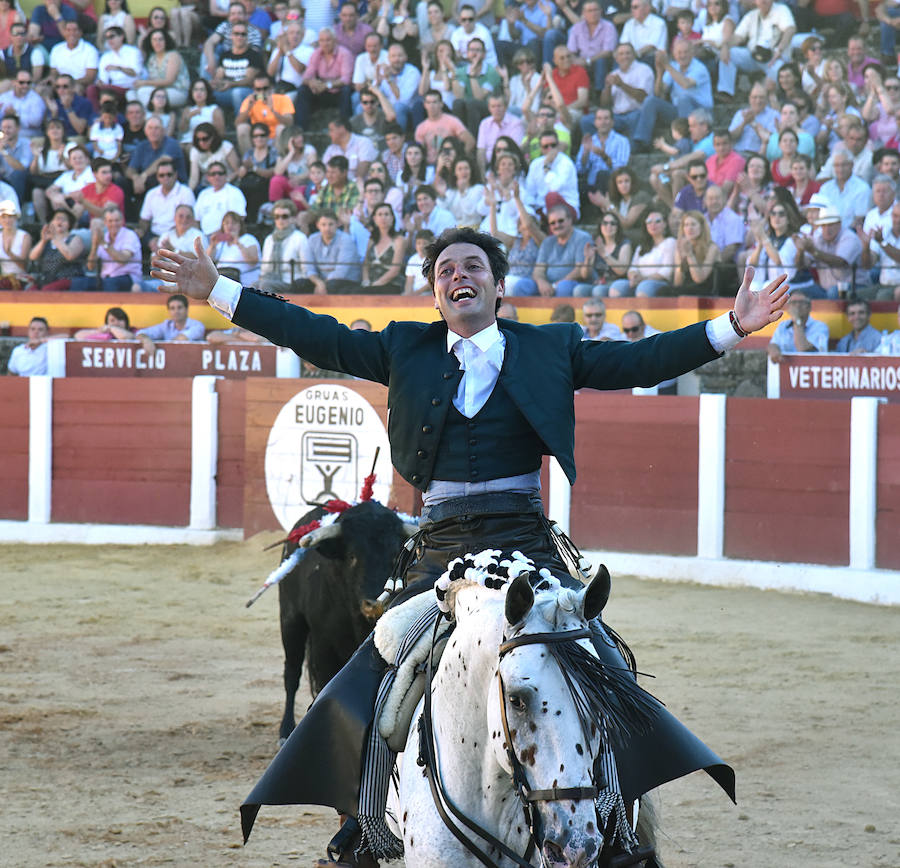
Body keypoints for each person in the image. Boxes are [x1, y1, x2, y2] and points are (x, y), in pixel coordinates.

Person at [150, 226, 786, 867]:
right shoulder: (405, 348)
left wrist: (733, 325)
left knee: (603, 664)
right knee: (381, 667)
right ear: (435, 294)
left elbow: (640, 360)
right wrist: (219, 293)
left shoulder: (550, 347)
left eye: (473, 266)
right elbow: (315, 333)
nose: (460, 275)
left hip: (527, 549)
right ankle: (367, 826)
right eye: (446, 269)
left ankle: (618, 829)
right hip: (439, 555)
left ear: (498, 285)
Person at [530, 202, 596, 297]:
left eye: (561, 221)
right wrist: (541, 283)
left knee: (563, 287)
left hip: (574, 283)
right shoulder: (547, 242)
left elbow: (579, 271)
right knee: (523, 286)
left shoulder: (583, 238)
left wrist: (556, 285)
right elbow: (538, 270)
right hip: (549, 284)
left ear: (570, 220)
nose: (557, 225)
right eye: (552, 223)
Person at [27, 208, 86, 291]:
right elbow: (32, 257)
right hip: (46, 280)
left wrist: (56, 238)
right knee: (29, 293)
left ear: (69, 224)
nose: (60, 222)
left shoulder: (75, 239)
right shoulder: (47, 242)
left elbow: (70, 255)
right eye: (57, 219)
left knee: (46, 291)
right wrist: (43, 241)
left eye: (64, 220)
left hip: (68, 279)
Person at [258, 199, 310, 293]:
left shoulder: (300, 238)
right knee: (253, 287)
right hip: (270, 279)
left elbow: (306, 268)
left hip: (291, 283)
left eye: (284, 216)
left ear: (293, 218)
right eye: (277, 217)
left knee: (265, 285)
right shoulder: (269, 239)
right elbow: (264, 267)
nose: (280, 220)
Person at [767, 290, 829, 362]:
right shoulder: (783, 325)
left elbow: (803, 349)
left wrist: (797, 320)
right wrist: (773, 349)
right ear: (788, 308)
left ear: (809, 307)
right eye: (793, 303)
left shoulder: (820, 327)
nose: (797, 306)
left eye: (801, 303)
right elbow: (773, 344)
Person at [136, 292, 205, 353]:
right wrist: (146, 340)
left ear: (186, 309)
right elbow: (140, 333)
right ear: (169, 311)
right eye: (172, 308)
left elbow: (181, 339)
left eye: (179, 307)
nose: (176, 311)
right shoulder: (166, 325)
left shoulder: (197, 326)